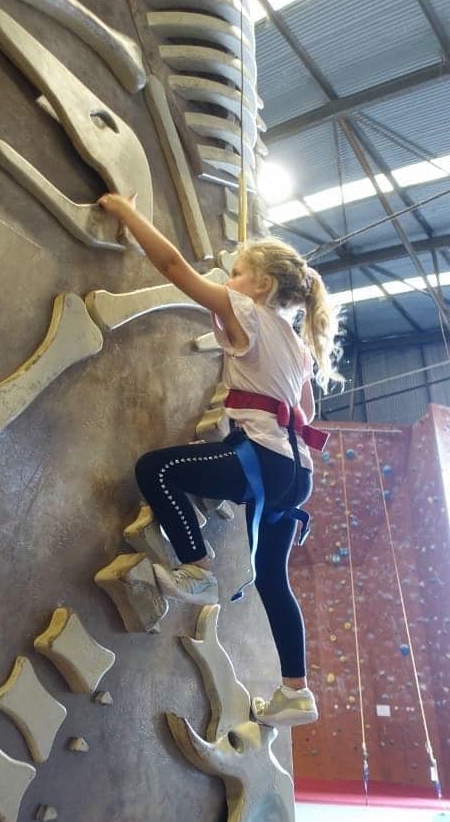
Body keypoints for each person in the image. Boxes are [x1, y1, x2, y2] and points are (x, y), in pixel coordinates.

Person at [98, 193, 342, 727]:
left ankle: (196, 568)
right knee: (275, 582)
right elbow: (304, 410)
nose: (226, 282)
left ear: (262, 286)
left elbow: (173, 267)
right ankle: (295, 692)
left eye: (235, 273)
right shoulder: (297, 346)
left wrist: (129, 214)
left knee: (156, 469)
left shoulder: (246, 311)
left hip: (263, 463)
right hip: (296, 475)